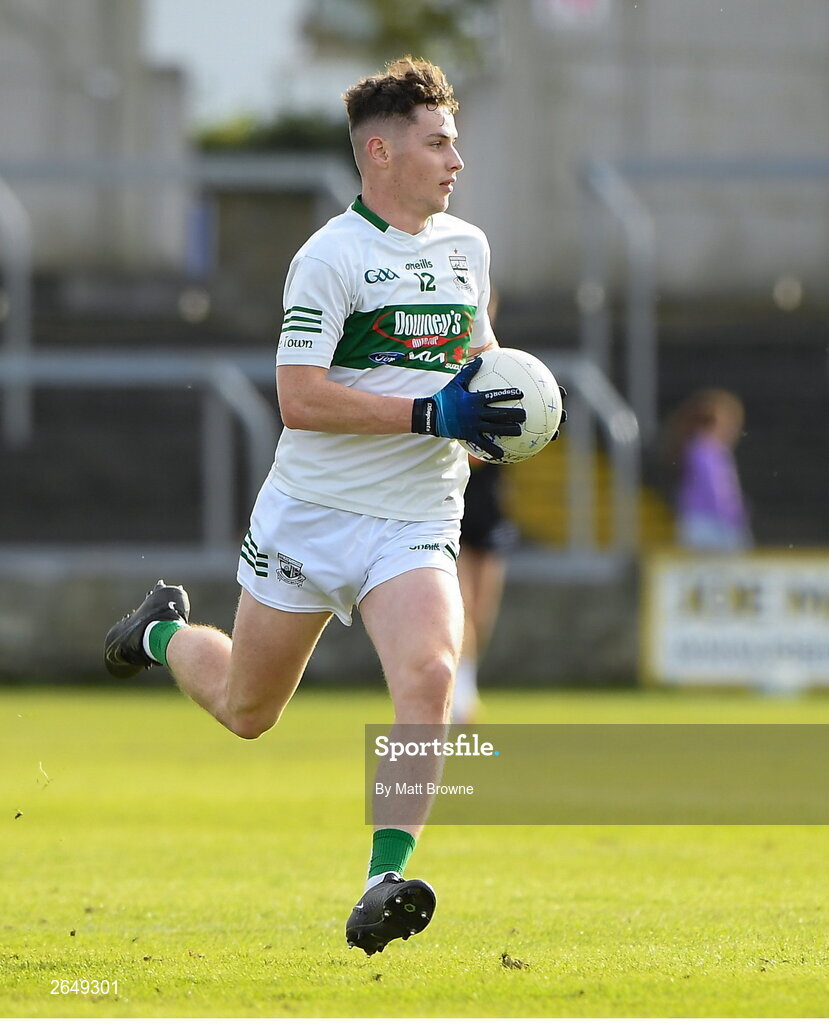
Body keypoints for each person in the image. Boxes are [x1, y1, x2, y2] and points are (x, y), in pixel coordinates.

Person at [103, 57, 549, 957]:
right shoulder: (328, 258)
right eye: (438, 144)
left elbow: (477, 354)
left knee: (429, 675)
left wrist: (495, 410)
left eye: (454, 143)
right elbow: (299, 398)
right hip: (309, 519)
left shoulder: (468, 249)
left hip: (417, 518)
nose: (455, 161)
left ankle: (384, 877)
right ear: (379, 153)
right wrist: (430, 411)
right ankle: (157, 634)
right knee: (245, 710)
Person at [453, 458, 518, 723]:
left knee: (482, 615)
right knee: (462, 609)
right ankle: (462, 697)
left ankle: (466, 681)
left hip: (489, 511)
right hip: (454, 508)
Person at [669, 388, 752, 551]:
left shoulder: (715, 451)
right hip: (706, 522)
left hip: (711, 521)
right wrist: (734, 512)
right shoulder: (701, 450)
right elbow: (714, 491)